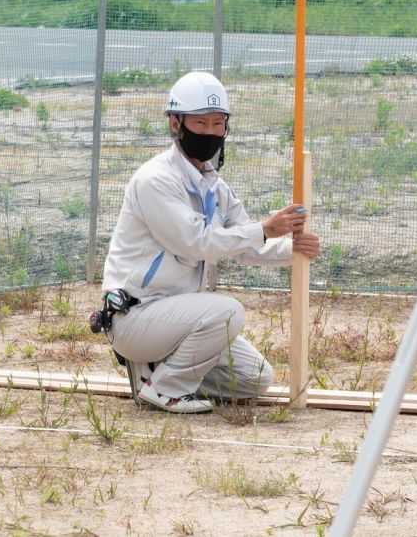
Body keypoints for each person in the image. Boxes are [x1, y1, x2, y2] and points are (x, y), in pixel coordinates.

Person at [102, 71, 319, 414]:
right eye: (200, 122)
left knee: (255, 377)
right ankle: (165, 388)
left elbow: (247, 243)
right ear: (175, 124)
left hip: (176, 318)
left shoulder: (214, 186)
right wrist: (265, 228)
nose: (210, 132)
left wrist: (292, 250)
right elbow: (196, 243)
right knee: (227, 311)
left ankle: (155, 370)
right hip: (136, 315)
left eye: (218, 123)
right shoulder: (155, 180)